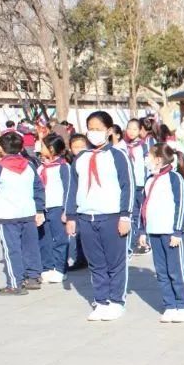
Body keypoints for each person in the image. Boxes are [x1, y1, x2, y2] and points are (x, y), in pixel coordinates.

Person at [65, 111, 134, 321]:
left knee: (115, 262)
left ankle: (116, 301)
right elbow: (72, 187)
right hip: (87, 217)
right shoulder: (81, 157)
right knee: (96, 262)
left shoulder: (118, 156)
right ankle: (101, 300)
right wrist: (71, 216)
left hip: (111, 216)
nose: (94, 133)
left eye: (98, 129)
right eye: (90, 129)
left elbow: (128, 186)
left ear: (109, 130)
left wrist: (125, 216)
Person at [0, 130, 44, 297]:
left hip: (7, 215)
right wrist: (39, 209)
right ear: (21, 147)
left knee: (12, 250)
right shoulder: (30, 165)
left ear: (1, 148)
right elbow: (38, 187)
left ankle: (15, 283)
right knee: (31, 246)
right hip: (28, 212)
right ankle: (33, 277)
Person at [139, 144, 184, 323]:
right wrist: (142, 230)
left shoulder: (174, 178)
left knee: (175, 271)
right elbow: (144, 205)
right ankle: (170, 305)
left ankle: (183, 305)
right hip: (154, 231)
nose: (146, 159)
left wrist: (177, 231)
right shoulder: (149, 179)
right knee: (161, 271)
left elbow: (182, 204)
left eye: (148, 156)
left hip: (171, 233)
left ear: (158, 159)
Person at [37, 134, 71, 283]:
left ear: (51, 148)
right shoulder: (40, 168)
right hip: (43, 208)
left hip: (58, 208)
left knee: (60, 239)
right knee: (44, 239)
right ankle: (47, 267)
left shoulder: (63, 167)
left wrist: (66, 210)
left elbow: (68, 189)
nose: (40, 148)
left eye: (42, 146)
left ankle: (60, 269)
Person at [123, 119, 151, 256]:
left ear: (140, 130)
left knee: (141, 213)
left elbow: (149, 165)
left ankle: (143, 240)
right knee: (131, 213)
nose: (131, 131)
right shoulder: (124, 146)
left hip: (141, 185)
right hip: (128, 185)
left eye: (135, 129)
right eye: (129, 128)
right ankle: (132, 242)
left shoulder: (144, 146)